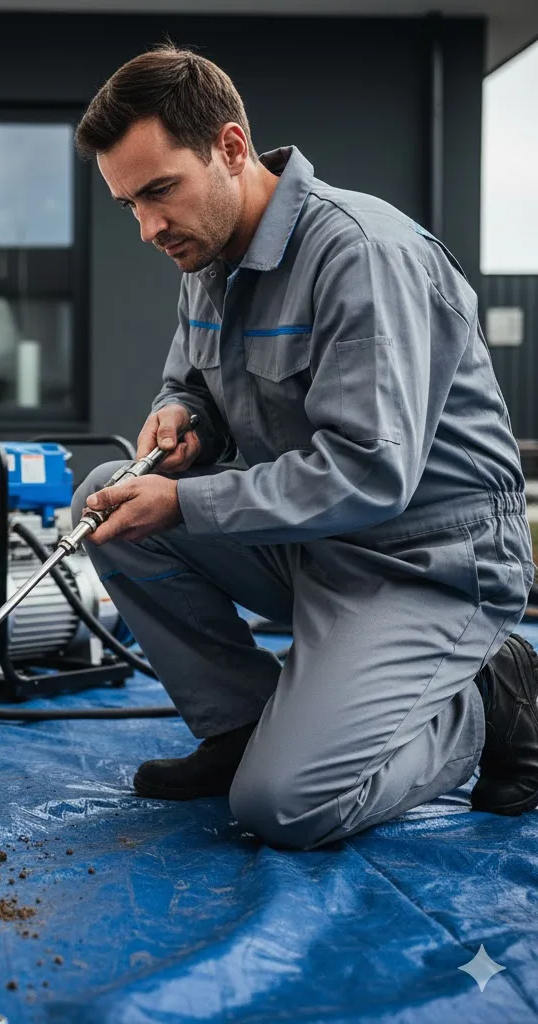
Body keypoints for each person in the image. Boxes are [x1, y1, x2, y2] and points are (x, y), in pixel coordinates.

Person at [70, 44, 537, 850]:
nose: (148, 228)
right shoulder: (207, 255)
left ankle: (485, 696)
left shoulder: (363, 255)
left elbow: (371, 470)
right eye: (128, 207)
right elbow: (196, 388)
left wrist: (185, 498)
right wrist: (184, 420)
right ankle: (244, 726)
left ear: (229, 147)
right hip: (314, 544)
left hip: (425, 566)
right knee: (107, 500)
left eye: (158, 192)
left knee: (284, 807)